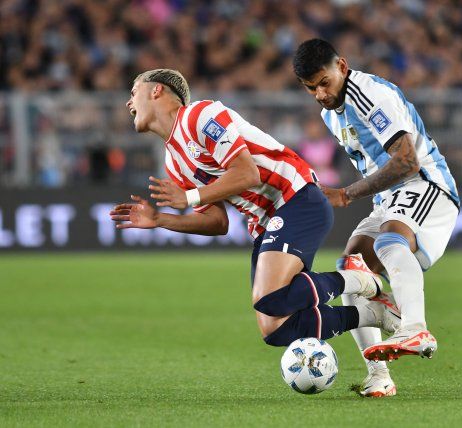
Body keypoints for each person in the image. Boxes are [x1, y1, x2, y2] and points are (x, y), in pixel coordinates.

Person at [109, 68, 401, 348]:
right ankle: (374, 314)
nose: (128, 102)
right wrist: (160, 219)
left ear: (156, 90)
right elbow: (217, 222)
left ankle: (358, 279)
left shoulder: (199, 115)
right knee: (277, 328)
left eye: (134, 92)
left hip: (296, 196)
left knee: (271, 297)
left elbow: (247, 173)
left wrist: (189, 197)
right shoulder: (173, 161)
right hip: (266, 224)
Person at [293, 39, 460, 397]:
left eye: (324, 83)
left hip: (426, 184)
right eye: (311, 88)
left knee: (389, 241)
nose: (320, 94)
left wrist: (346, 194)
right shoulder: (329, 113)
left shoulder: (371, 95)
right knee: (352, 266)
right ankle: (379, 375)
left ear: (342, 66)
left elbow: (407, 161)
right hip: (390, 199)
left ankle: (414, 328)